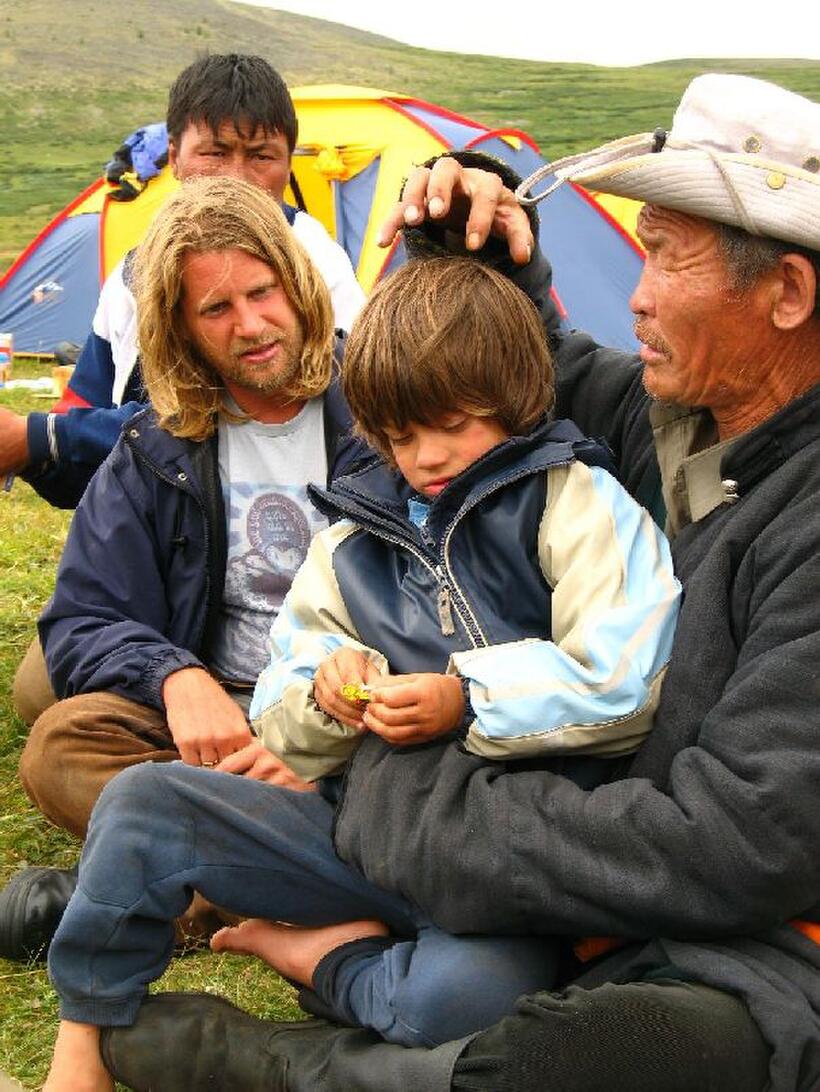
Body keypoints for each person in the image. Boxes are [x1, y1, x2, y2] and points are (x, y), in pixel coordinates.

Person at [95, 72, 819, 1092]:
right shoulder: (680, 411)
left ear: (786, 294)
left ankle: (267, 1054)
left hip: (746, 941)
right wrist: (469, 221)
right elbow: (514, 373)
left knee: (589, 1060)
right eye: (641, 250)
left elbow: (736, 842)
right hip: (550, 862)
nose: (639, 295)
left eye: (664, 258)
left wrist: (399, 798)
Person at [37, 252, 680, 1090]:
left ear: (516, 399)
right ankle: (84, 1033)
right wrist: (324, 696)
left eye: (452, 423)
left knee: (465, 1001)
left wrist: (468, 699)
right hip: (360, 835)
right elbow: (279, 708)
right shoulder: (348, 543)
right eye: (401, 435)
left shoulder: (579, 501)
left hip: (505, 861)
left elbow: (628, 675)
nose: (427, 456)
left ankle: (320, 956)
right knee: (143, 804)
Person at [0, 175, 368, 961]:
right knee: (62, 747)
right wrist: (175, 677)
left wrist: (323, 733)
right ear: (182, 328)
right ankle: (283, 876)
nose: (251, 325)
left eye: (263, 292)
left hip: (355, 711)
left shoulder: (381, 404)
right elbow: (80, 620)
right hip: (220, 730)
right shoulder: (155, 445)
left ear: (298, 285)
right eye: (216, 309)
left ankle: (189, 887)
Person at [7, 52, 366, 732]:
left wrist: (39, 438)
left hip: (326, 662)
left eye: (260, 156)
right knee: (54, 700)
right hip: (181, 577)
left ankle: (230, 800)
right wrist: (50, 445)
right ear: (174, 155)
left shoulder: (315, 263)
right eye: (215, 153)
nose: (236, 177)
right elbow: (130, 442)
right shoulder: (132, 276)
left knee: (53, 690)